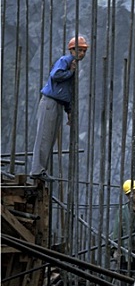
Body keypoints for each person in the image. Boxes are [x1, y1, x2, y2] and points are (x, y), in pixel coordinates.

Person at [30, 36, 89, 182]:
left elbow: (67, 91)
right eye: (79, 50)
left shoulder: (73, 64)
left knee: (50, 138)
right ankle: (37, 170)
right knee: (44, 136)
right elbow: (55, 75)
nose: (82, 53)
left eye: (83, 51)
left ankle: (41, 170)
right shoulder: (65, 61)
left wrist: (69, 110)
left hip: (58, 104)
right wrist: (70, 72)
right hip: (50, 102)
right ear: (72, 50)